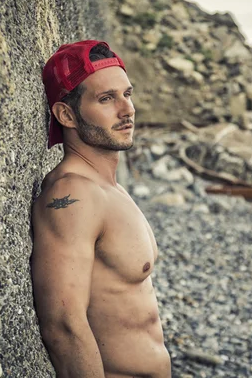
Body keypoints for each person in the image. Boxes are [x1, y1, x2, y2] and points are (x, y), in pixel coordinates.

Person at [31, 40, 171, 378]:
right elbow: (64, 327)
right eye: (106, 99)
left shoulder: (109, 188)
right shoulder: (73, 194)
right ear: (66, 115)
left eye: (127, 94)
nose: (127, 110)